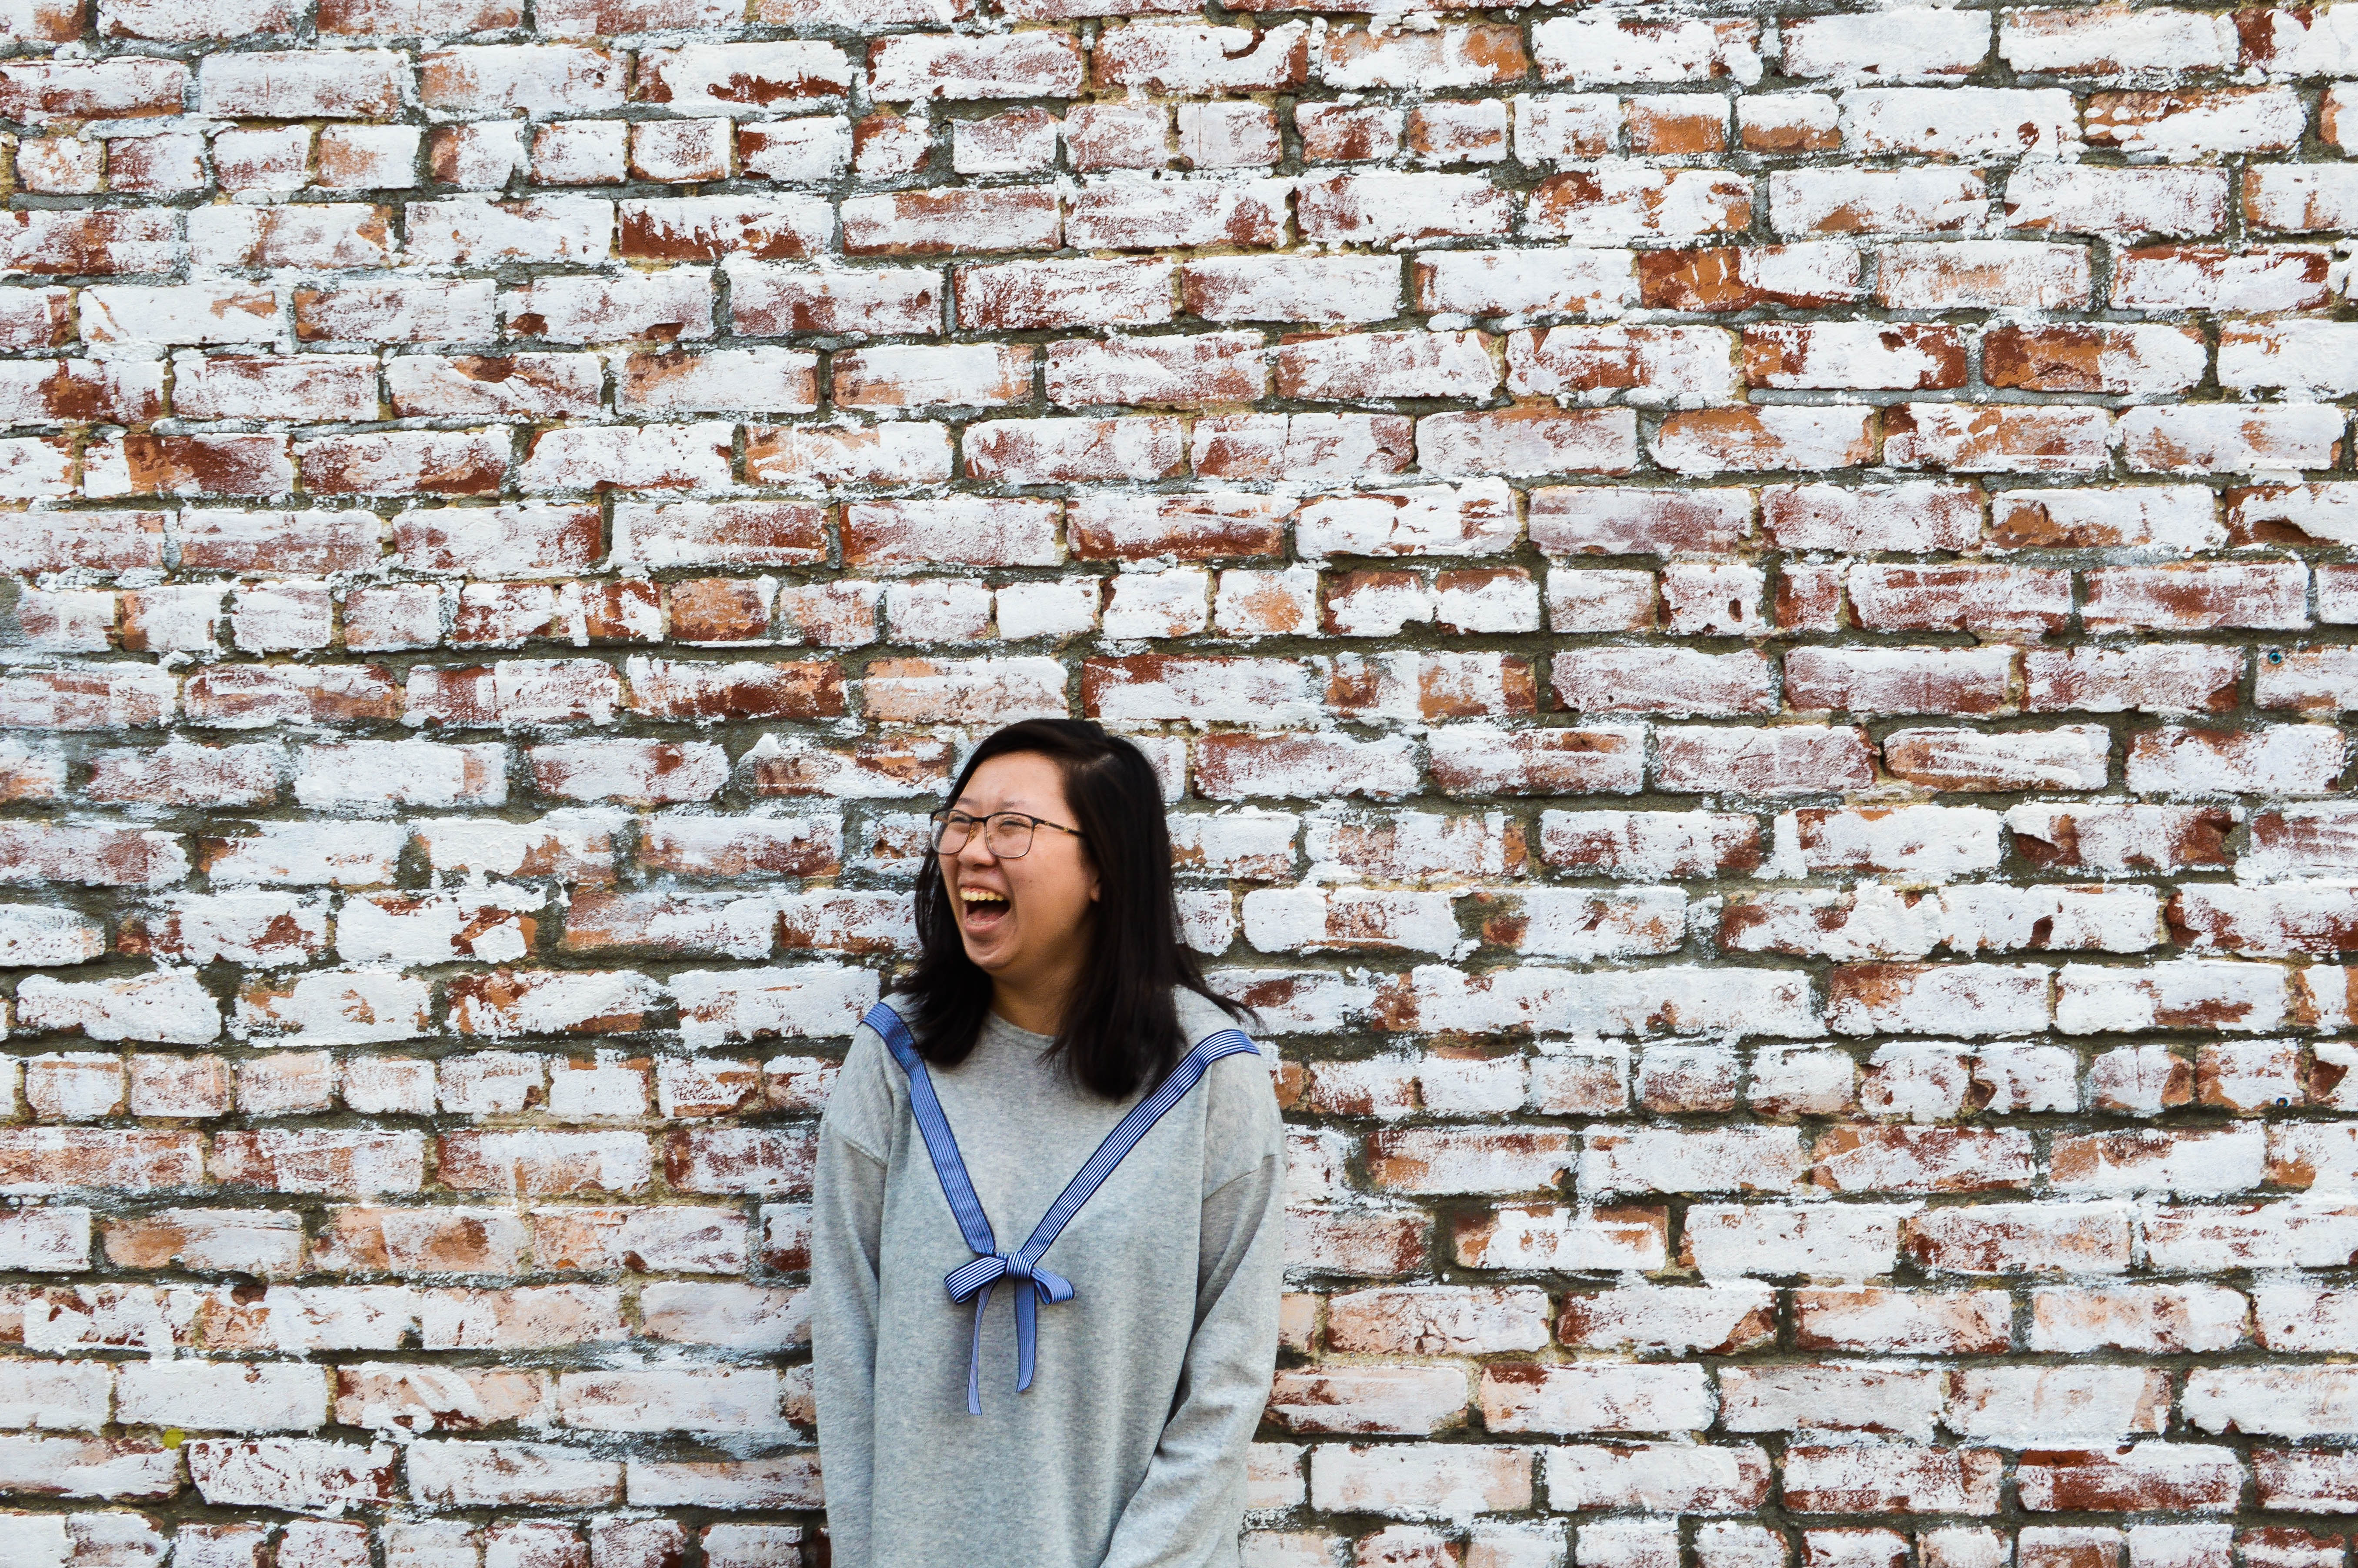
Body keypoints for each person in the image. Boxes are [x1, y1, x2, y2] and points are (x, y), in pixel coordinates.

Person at [810, 717, 1289, 1568]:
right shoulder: (892, 1059)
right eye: (962, 823)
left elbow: (1229, 1386)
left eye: (1013, 827)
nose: (973, 852)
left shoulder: (1213, 1077)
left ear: (1105, 866)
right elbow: (848, 1362)